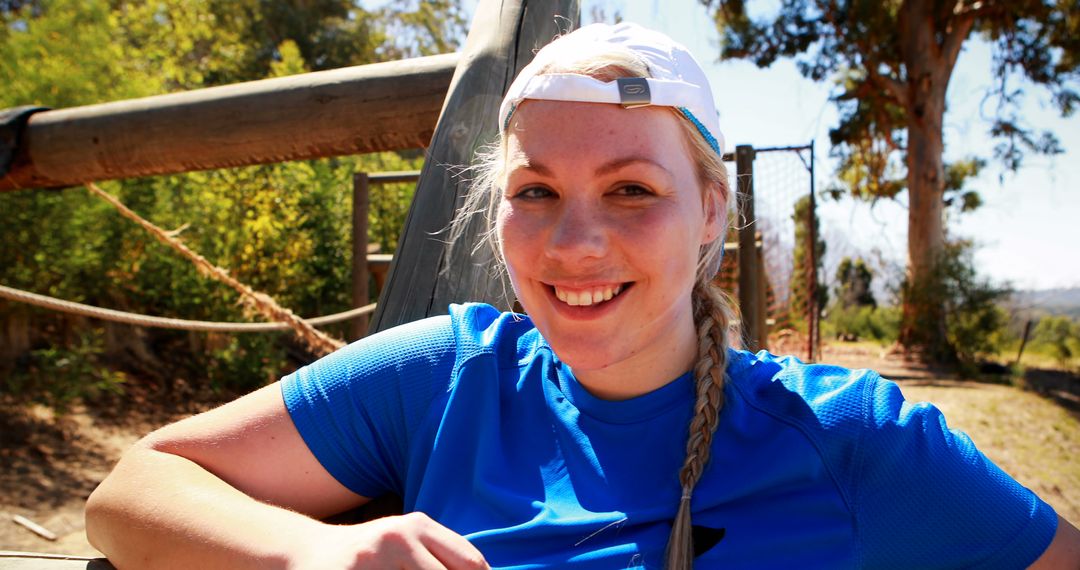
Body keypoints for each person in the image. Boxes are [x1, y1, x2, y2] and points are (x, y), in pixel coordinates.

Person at [85, 23, 1079, 569]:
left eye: (632, 191)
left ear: (709, 214)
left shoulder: (855, 441)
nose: (574, 242)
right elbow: (130, 493)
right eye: (536, 193)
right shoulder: (449, 378)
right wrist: (312, 555)